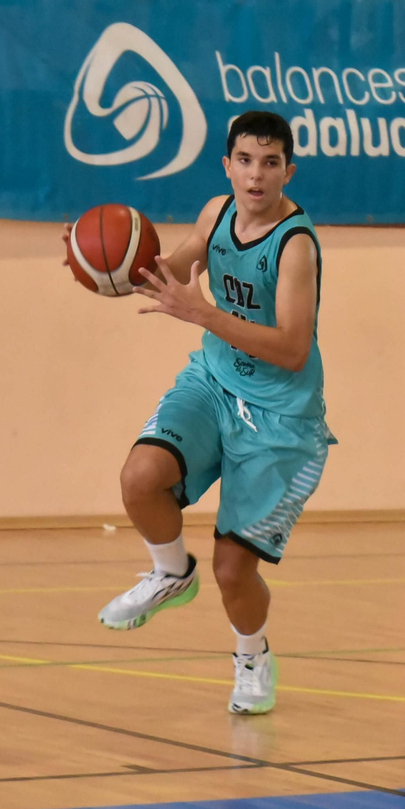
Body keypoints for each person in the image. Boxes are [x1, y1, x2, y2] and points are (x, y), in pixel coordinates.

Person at [90, 111, 333, 716]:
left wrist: (201, 314)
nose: (256, 174)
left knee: (233, 571)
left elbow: (292, 346)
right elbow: (165, 273)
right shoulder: (215, 212)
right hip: (214, 382)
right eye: (245, 160)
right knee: (139, 479)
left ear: (287, 171)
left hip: (281, 420)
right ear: (227, 166)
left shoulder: (295, 244)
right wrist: (99, 264)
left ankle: (252, 654)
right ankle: (170, 572)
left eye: (270, 162)